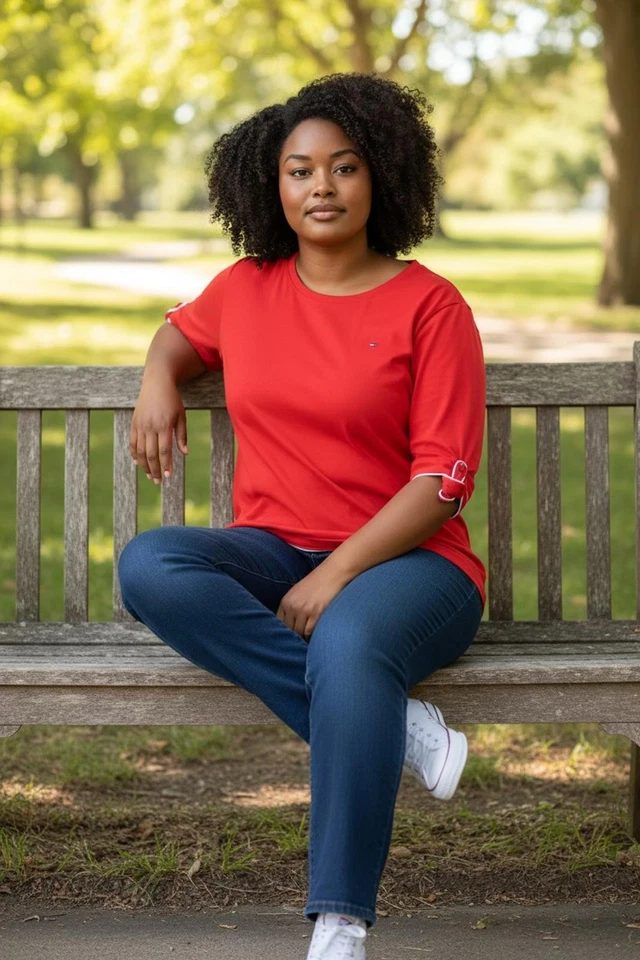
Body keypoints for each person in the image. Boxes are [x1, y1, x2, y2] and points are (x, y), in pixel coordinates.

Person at [117, 71, 486, 960]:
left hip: (415, 566)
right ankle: (396, 730)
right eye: (299, 170)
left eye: (344, 167)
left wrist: (337, 571)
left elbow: (441, 481)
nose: (321, 187)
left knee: (351, 641)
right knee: (150, 565)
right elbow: (180, 333)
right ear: (270, 186)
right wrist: (157, 376)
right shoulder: (247, 289)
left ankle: (341, 923)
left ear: (380, 178)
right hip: (275, 547)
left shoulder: (430, 307)